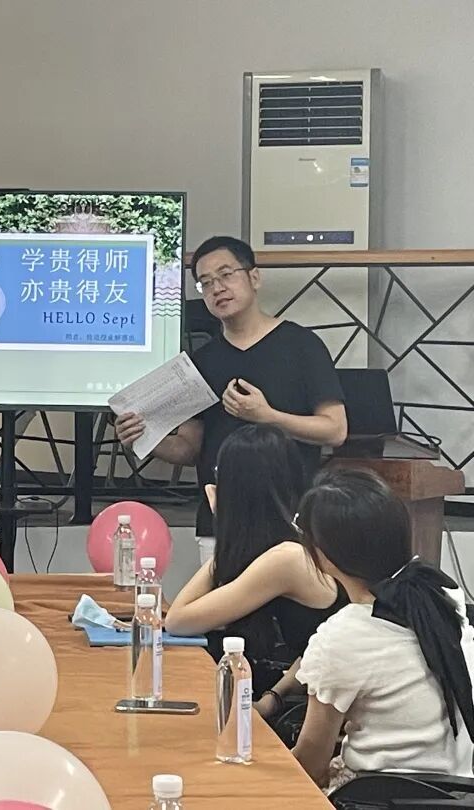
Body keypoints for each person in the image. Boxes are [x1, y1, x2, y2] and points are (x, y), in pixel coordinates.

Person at [113, 235, 347, 559]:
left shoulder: (302, 346)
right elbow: (190, 448)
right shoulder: (201, 362)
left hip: (291, 521)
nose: (217, 288)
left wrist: (268, 417)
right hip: (219, 524)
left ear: (254, 277)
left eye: (226, 275)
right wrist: (143, 439)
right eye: (206, 283)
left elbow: (335, 430)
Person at [292, 469, 474, 792]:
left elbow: (309, 764)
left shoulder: (343, 636)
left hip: (378, 796)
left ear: (325, 556)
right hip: (459, 791)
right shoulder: (442, 595)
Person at [165, 425, 346, 708]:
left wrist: (222, 522)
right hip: (292, 695)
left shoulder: (287, 558)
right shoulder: (284, 546)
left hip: (314, 708)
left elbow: (179, 620)